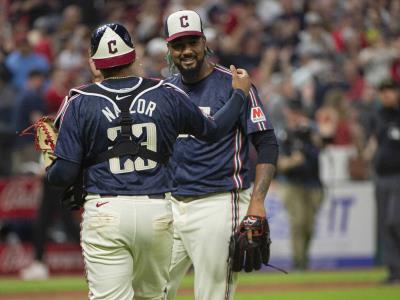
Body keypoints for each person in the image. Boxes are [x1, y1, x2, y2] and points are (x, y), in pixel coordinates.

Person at [46, 23, 251, 300]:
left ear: (95, 64)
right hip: (156, 211)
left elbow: (62, 175)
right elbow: (214, 130)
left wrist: (52, 161)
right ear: (134, 56)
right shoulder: (166, 92)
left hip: (105, 209)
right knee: (152, 297)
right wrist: (239, 94)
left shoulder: (79, 101)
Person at [164, 10, 278, 300]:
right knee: (150, 291)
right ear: (169, 49)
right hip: (170, 205)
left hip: (218, 202)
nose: (187, 51)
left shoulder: (235, 83)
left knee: (212, 295)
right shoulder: (165, 91)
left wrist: (257, 203)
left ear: (205, 43)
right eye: (179, 45)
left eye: (193, 42)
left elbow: (266, 142)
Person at [277, 99, 323, 271]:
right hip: (292, 184)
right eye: (292, 112)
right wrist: (294, 162)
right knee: (297, 222)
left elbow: (321, 146)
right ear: (288, 113)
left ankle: (304, 257)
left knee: (309, 225)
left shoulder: (310, 132)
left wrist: (312, 130)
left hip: (313, 183)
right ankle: (298, 261)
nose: (295, 116)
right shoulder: (284, 134)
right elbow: (280, 164)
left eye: (298, 113)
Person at [364, 79, 400, 284]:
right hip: (381, 176)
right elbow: (372, 144)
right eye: (383, 91)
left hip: (398, 176)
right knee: (385, 226)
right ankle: (394, 271)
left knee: (395, 221)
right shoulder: (376, 118)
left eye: (390, 90)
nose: (386, 95)